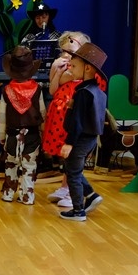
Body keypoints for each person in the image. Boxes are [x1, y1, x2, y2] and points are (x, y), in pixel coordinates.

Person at [58, 42, 108, 221]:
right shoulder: (97, 92)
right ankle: (91, 196)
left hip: (80, 138)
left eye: (74, 66)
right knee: (72, 168)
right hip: (90, 138)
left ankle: (78, 210)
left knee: (72, 173)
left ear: (87, 68)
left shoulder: (83, 93)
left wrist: (69, 143)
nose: (70, 68)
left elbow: (78, 122)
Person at [42, 31, 92, 207]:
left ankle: (72, 192)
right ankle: (64, 187)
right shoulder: (62, 66)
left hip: (75, 117)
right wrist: (56, 71)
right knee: (64, 154)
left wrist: (66, 71)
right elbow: (52, 90)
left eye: (71, 52)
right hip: (60, 117)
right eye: (63, 51)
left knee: (73, 155)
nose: (66, 55)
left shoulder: (82, 70)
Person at [0, 45, 45, 204]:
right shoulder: (37, 89)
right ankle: (27, 196)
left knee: (10, 163)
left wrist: (1, 136)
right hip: (32, 135)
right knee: (29, 166)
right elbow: (42, 113)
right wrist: (43, 132)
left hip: (12, 134)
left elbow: (2, 116)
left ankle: (8, 193)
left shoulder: (7, 90)